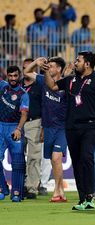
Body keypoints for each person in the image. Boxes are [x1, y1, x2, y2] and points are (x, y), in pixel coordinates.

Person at [44, 51, 95, 210]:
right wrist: (47, 71)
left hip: (90, 126)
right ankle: (83, 199)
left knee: (86, 158)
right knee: (76, 162)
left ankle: (90, 195)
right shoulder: (70, 79)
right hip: (71, 127)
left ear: (87, 64)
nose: (75, 63)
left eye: (78, 60)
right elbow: (52, 86)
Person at [23, 56, 69, 202]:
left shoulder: (67, 83)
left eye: (52, 66)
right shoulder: (43, 80)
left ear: (59, 69)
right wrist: (36, 63)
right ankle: (60, 190)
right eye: (48, 65)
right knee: (53, 160)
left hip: (62, 127)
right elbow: (27, 73)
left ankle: (57, 190)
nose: (49, 68)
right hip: (47, 126)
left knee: (56, 158)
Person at [0, 66, 29, 202]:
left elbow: (24, 114)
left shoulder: (23, 94)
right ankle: (2, 188)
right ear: (7, 75)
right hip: (0, 126)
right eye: (10, 76)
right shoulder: (3, 87)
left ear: (19, 76)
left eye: (15, 76)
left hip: (14, 128)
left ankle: (16, 193)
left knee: (17, 162)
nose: (12, 78)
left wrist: (18, 129)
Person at [21, 58, 45, 200]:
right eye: (24, 67)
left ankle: (31, 187)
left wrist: (43, 126)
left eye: (29, 67)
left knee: (34, 157)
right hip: (18, 125)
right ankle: (20, 185)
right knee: (18, 157)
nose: (26, 70)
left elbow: (45, 107)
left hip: (35, 123)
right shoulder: (17, 86)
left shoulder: (40, 85)